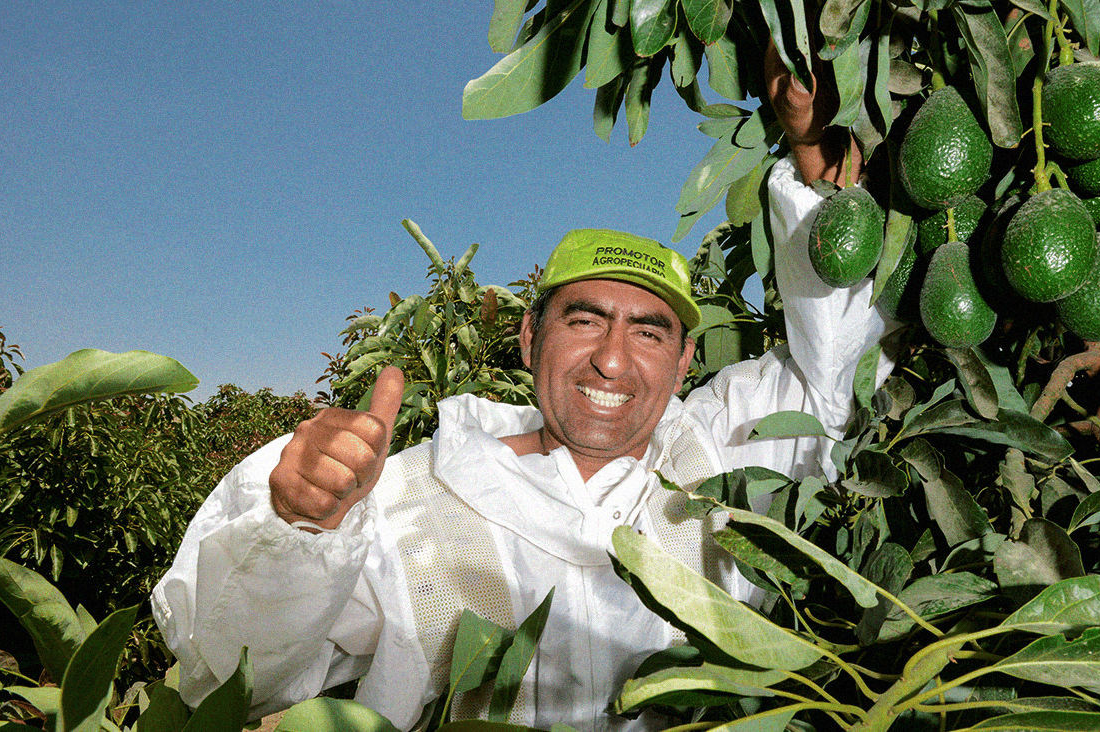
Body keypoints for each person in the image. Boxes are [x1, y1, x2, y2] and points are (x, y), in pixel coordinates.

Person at [151, 46, 895, 732]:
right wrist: (297, 525)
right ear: (529, 338)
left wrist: (811, 143)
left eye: (649, 332)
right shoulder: (412, 504)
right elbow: (233, 678)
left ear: (684, 360)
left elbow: (837, 364)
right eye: (584, 320)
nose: (612, 360)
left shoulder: (725, 456)